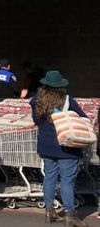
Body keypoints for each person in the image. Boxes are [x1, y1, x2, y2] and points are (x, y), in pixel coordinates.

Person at [30, 70, 88, 226]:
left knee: (49, 178)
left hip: (46, 146)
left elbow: (36, 121)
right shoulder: (68, 100)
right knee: (67, 181)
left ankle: (50, 212)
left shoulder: (37, 101)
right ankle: (70, 215)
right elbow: (83, 118)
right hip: (66, 146)